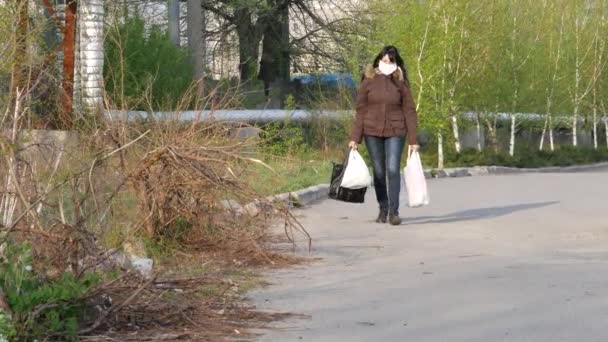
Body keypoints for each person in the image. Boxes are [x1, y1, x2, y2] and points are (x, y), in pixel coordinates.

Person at [348, 45, 419, 225]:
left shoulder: (400, 82)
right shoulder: (369, 80)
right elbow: (361, 110)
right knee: (379, 172)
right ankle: (383, 208)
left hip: (396, 130)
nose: (387, 64)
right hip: (371, 131)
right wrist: (355, 138)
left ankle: (394, 213)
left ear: (396, 63)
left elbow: (410, 110)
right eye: (385, 60)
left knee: (393, 169)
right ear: (379, 60)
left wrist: (413, 140)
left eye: (391, 61)